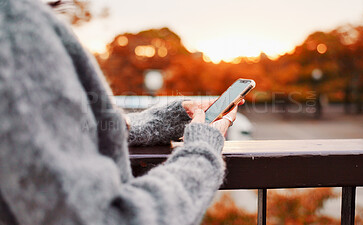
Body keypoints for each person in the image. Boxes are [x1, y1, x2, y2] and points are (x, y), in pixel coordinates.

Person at [0, 0, 241, 224]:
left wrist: (164, 121)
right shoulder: (14, 28)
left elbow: (59, 132)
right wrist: (202, 152)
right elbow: (110, 218)